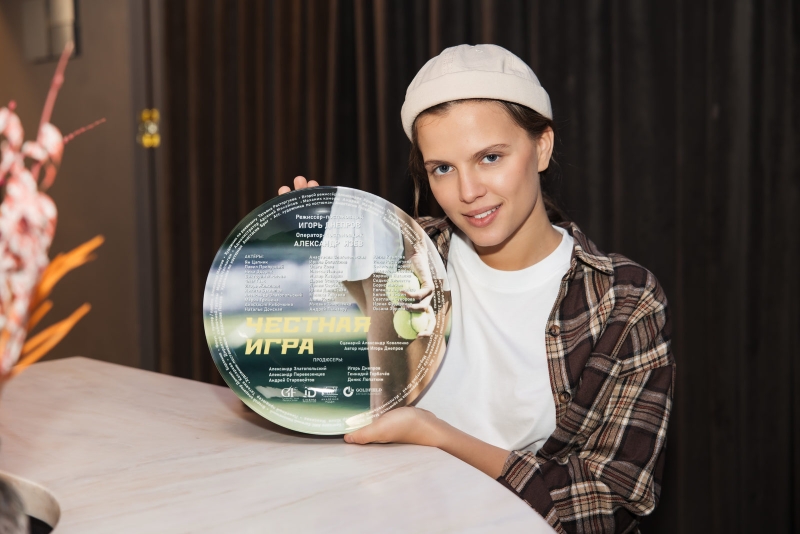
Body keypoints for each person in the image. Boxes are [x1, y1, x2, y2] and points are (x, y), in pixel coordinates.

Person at [278, 44, 674, 534]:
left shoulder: (622, 300)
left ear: (542, 146)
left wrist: (438, 437)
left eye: (489, 157)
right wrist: (299, 276)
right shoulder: (397, 257)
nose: (467, 192)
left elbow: (611, 503)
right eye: (442, 168)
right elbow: (313, 388)